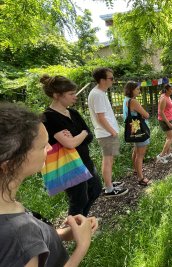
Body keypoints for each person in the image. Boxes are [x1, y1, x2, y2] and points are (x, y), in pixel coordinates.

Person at [0, 102, 98, 267]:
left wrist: (65, 234)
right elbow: (22, 244)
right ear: (10, 165)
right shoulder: (17, 234)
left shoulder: (7, 204)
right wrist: (81, 247)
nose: (49, 148)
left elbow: (31, 243)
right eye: (42, 146)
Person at [40, 75, 102, 216]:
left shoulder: (73, 112)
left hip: (84, 160)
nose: (75, 97)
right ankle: (74, 231)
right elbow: (70, 143)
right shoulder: (49, 117)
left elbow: (89, 135)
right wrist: (82, 135)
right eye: (71, 94)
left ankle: (81, 222)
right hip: (68, 165)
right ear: (57, 95)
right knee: (79, 199)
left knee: (95, 190)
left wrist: (80, 136)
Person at [88, 67, 128, 197]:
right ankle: (109, 189)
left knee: (109, 160)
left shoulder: (99, 93)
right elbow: (101, 117)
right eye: (111, 78)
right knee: (107, 160)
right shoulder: (98, 94)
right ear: (102, 80)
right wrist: (113, 132)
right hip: (107, 134)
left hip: (107, 133)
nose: (113, 80)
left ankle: (108, 183)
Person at [123, 81, 151, 186]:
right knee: (140, 154)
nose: (139, 91)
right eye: (137, 89)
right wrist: (144, 115)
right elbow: (146, 115)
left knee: (136, 151)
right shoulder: (134, 101)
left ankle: (136, 170)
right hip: (139, 128)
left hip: (133, 128)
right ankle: (141, 178)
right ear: (131, 90)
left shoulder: (126, 100)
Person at [156, 84, 172, 164]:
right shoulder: (163, 98)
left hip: (170, 119)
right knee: (171, 138)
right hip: (165, 121)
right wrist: (168, 123)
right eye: (171, 89)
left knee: (169, 137)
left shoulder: (167, 96)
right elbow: (161, 112)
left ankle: (168, 154)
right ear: (167, 90)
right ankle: (161, 156)